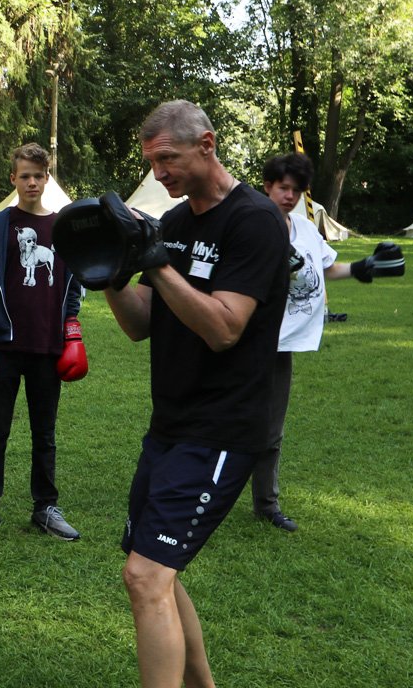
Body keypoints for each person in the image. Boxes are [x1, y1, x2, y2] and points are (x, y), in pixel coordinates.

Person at [96, 100, 289, 688]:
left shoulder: (254, 220)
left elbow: (225, 327)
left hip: (223, 430)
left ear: (206, 144)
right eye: (152, 163)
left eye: (167, 159)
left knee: (146, 577)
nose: (159, 174)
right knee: (160, 573)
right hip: (170, 426)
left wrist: (157, 266)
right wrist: (109, 276)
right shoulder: (176, 225)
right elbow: (140, 323)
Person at [255, 154, 405, 532]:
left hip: (282, 344)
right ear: (267, 187)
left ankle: (266, 504)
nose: (289, 196)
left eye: (296, 189)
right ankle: (201, 497)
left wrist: (360, 267)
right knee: (224, 423)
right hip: (242, 340)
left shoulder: (305, 229)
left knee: (271, 430)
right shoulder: (250, 225)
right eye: (282, 187)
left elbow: (322, 266)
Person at [0, 142, 88, 542]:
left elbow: (72, 287)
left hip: (48, 346)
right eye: (24, 175)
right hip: (3, 346)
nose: (31, 182)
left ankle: (45, 507)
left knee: (44, 432)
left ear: (48, 178)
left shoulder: (65, 228)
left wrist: (72, 331)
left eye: (38, 175)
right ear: (13, 179)